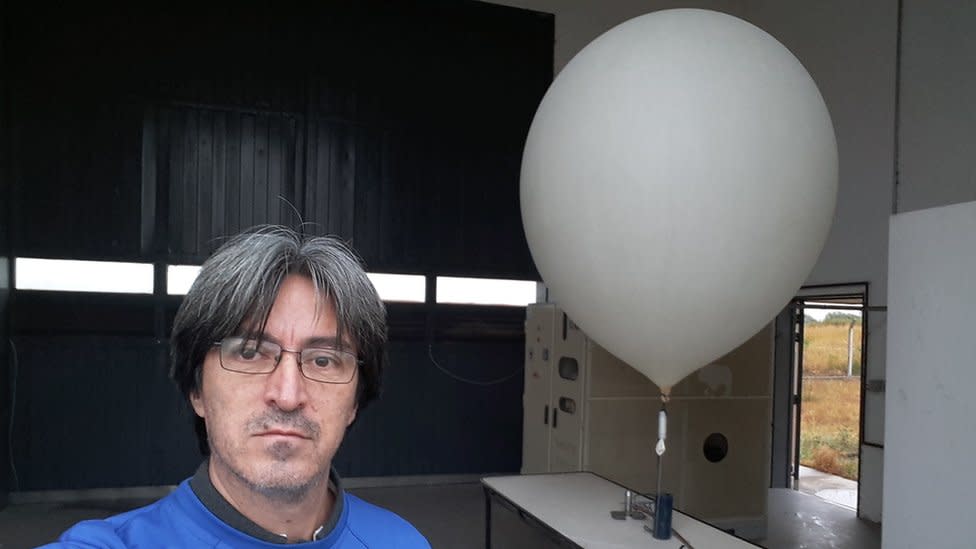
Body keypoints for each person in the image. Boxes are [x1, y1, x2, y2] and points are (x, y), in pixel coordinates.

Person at [45, 226, 431, 548]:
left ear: (354, 403)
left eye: (323, 360)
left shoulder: (403, 542)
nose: (288, 395)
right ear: (196, 389)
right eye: (249, 353)